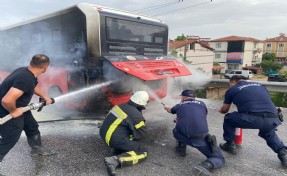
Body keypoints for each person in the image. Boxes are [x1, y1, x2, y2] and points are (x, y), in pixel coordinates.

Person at [219, 75, 287, 168]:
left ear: (233, 82)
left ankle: (229, 144)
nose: (230, 86)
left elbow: (224, 110)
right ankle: (283, 153)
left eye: (230, 84)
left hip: (253, 118)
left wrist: (220, 110)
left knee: (229, 118)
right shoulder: (261, 86)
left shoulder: (233, 89)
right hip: (273, 118)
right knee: (268, 133)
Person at [0, 54, 55, 171]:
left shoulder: (25, 72)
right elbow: (7, 100)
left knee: (31, 126)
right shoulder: (26, 78)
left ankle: (37, 149)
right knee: (10, 138)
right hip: (7, 109)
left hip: (20, 107)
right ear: (45, 67)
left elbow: (32, 87)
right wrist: (14, 111)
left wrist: (44, 96)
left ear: (31, 62)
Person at [164, 89, 225, 175]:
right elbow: (202, 116)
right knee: (219, 158)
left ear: (183, 97)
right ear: (194, 97)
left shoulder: (179, 105)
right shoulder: (202, 104)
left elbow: (170, 110)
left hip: (183, 135)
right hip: (201, 138)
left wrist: (166, 108)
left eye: (181, 97)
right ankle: (206, 165)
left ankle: (181, 147)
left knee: (176, 130)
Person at [100, 91, 149, 176]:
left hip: (103, 134)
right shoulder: (136, 115)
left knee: (126, 131)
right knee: (143, 151)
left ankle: (118, 148)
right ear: (142, 103)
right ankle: (115, 160)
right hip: (113, 139)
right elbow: (141, 135)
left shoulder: (120, 105)